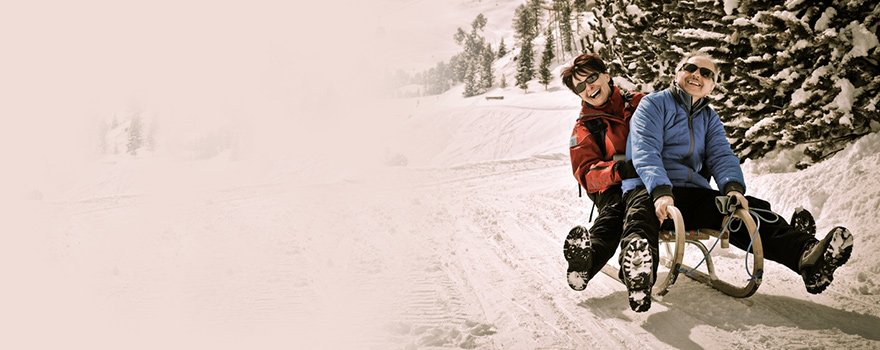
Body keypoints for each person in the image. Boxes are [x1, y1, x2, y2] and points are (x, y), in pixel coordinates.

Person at [618, 52, 855, 312]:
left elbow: (721, 155)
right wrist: (661, 191)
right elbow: (645, 150)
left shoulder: (709, 118)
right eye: (691, 68)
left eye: (707, 73)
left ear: (712, 87)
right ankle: (640, 274)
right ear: (678, 73)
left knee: (747, 211)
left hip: (694, 193)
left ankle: (806, 256)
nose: (698, 75)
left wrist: (732, 188)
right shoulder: (654, 105)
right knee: (642, 215)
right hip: (650, 188)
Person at [562, 53, 644, 291]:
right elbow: (585, 173)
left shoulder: (640, 103)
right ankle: (587, 260)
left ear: (607, 75)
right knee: (616, 212)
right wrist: (617, 170)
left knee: (640, 206)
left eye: (592, 78)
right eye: (580, 86)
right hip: (612, 186)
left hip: (650, 178)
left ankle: (638, 259)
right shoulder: (585, 127)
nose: (589, 87)